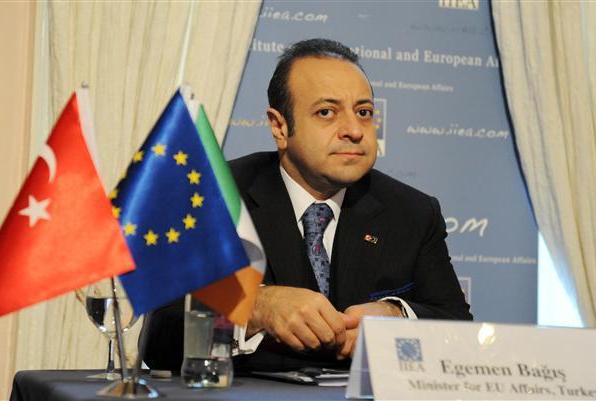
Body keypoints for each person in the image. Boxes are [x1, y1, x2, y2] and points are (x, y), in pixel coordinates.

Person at [142, 38, 472, 372]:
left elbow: (457, 329)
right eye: (326, 112)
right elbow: (158, 338)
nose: (354, 130)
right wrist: (256, 306)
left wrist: (396, 317)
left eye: (364, 112)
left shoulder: (413, 212)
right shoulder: (214, 196)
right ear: (279, 127)